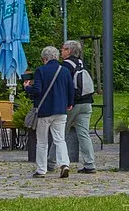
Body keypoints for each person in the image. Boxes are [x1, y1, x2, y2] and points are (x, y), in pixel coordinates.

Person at [24, 44, 74, 179]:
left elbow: (37, 90)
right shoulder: (65, 71)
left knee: (42, 141)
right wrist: (69, 103)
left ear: (44, 58)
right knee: (60, 139)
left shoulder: (41, 71)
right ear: (56, 57)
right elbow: (70, 89)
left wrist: (28, 88)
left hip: (45, 110)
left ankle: (41, 169)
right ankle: (64, 164)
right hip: (61, 109)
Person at [61, 40, 97, 173]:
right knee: (83, 134)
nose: (61, 51)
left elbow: (64, 84)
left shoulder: (66, 65)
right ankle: (90, 163)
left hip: (73, 103)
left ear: (69, 51)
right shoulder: (81, 62)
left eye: (64, 49)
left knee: (60, 134)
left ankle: (51, 162)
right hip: (87, 102)